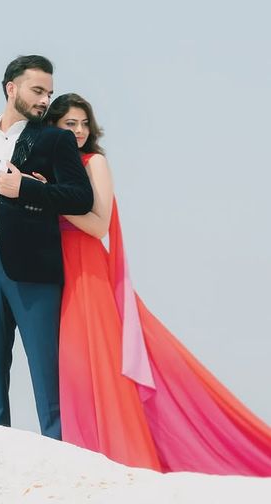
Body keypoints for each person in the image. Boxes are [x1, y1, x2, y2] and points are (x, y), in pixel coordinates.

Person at [43, 93, 271, 475]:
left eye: (83, 124)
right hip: (57, 269)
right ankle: (83, 450)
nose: (79, 131)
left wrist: (45, 197)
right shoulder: (48, 168)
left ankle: (120, 452)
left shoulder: (94, 162)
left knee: (101, 358)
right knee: (73, 365)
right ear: (52, 127)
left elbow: (99, 224)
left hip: (88, 267)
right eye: (70, 124)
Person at [0, 58, 93, 441]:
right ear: (11, 88)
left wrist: (27, 188)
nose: (45, 100)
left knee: (47, 373)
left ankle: (58, 451)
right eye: (37, 90)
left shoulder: (55, 140)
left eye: (49, 92)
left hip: (35, 272)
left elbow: (81, 198)